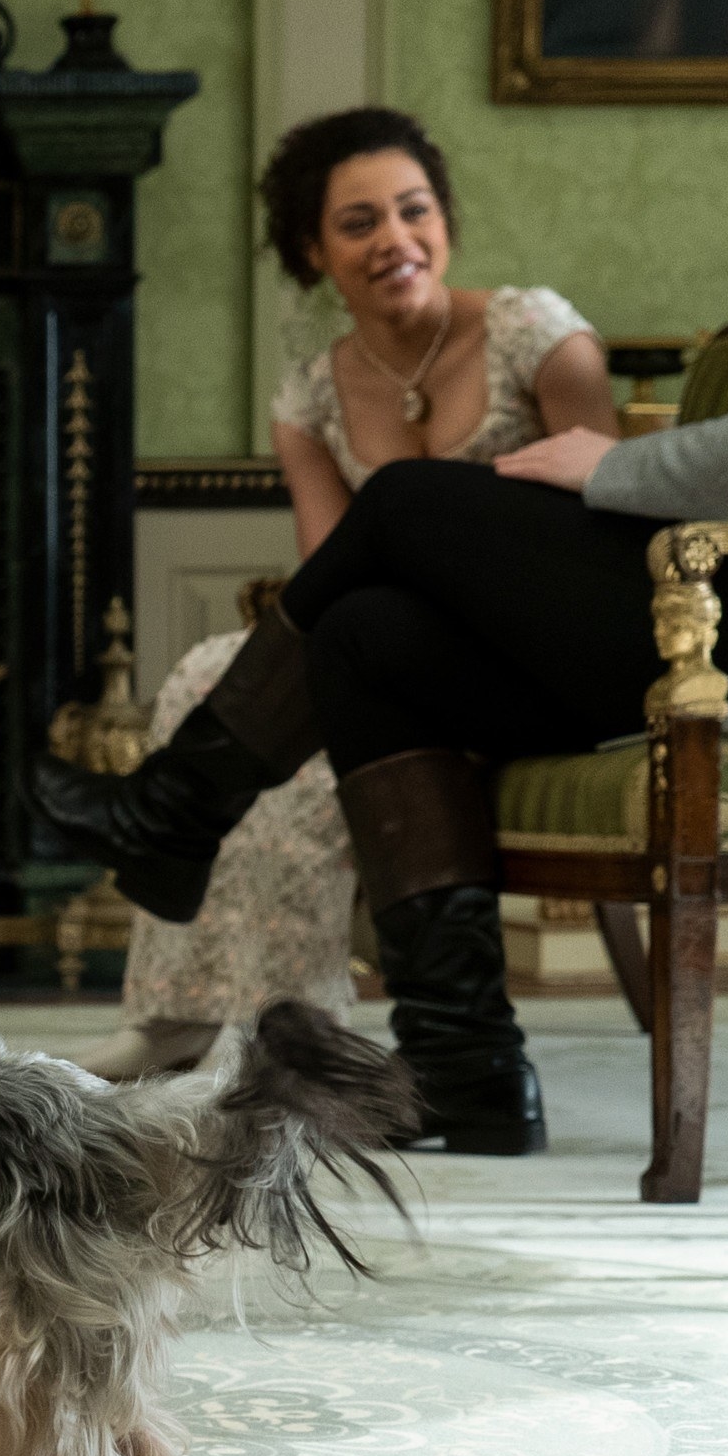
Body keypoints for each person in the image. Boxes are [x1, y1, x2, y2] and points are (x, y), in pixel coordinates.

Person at [33, 0, 728, 1153]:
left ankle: (171, 812)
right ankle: (465, 1071)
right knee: (371, 639)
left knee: (405, 504)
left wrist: (615, 468)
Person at [79, 110, 616, 1084]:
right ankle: (194, 1015)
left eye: (414, 211)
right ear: (312, 250)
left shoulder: (535, 333)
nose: (395, 241)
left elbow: (605, 526)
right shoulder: (309, 396)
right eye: (359, 223)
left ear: (446, 219)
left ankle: (260, 972)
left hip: (545, 654)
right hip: (400, 657)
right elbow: (334, 575)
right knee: (242, 666)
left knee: (390, 548)